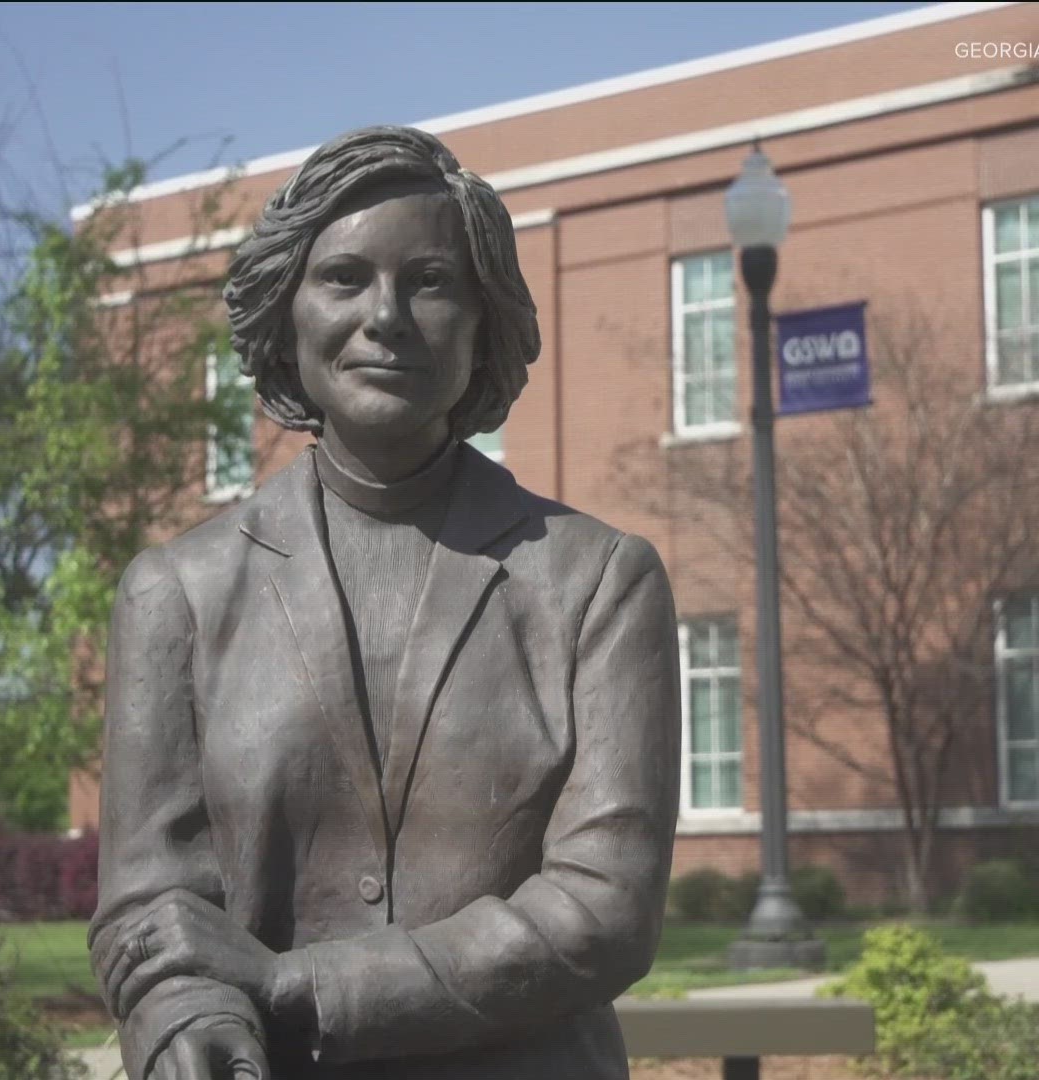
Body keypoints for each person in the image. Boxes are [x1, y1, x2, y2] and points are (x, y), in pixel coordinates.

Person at [87, 126, 682, 1080]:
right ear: (287, 313)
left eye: (433, 282)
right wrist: (186, 1012)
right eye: (346, 278)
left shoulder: (596, 581)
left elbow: (603, 909)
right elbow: (149, 904)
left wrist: (301, 988)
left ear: (486, 321)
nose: (387, 315)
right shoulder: (179, 594)